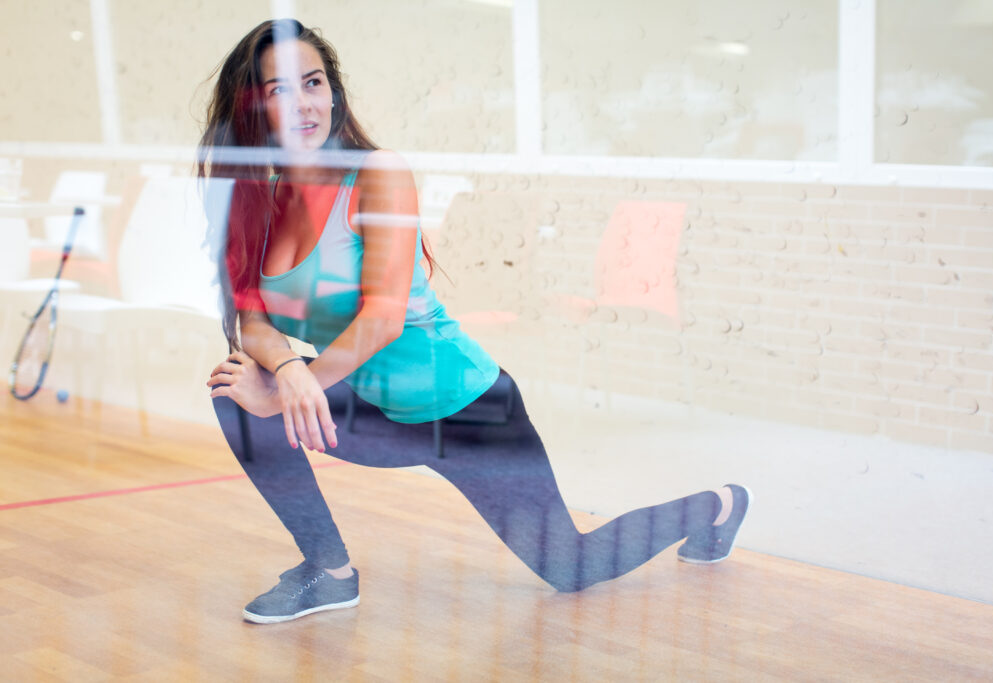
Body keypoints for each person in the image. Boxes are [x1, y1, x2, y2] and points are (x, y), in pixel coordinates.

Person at [198, 18, 750, 624]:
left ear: (334, 90)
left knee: (572, 567)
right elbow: (250, 317)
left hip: (468, 411)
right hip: (377, 410)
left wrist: (293, 387)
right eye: (279, 90)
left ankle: (717, 507)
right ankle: (329, 572)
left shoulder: (377, 174)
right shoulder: (263, 202)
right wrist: (284, 372)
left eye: (314, 82)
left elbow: (382, 317)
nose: (305, 103)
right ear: (250, 109)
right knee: (238, 391)